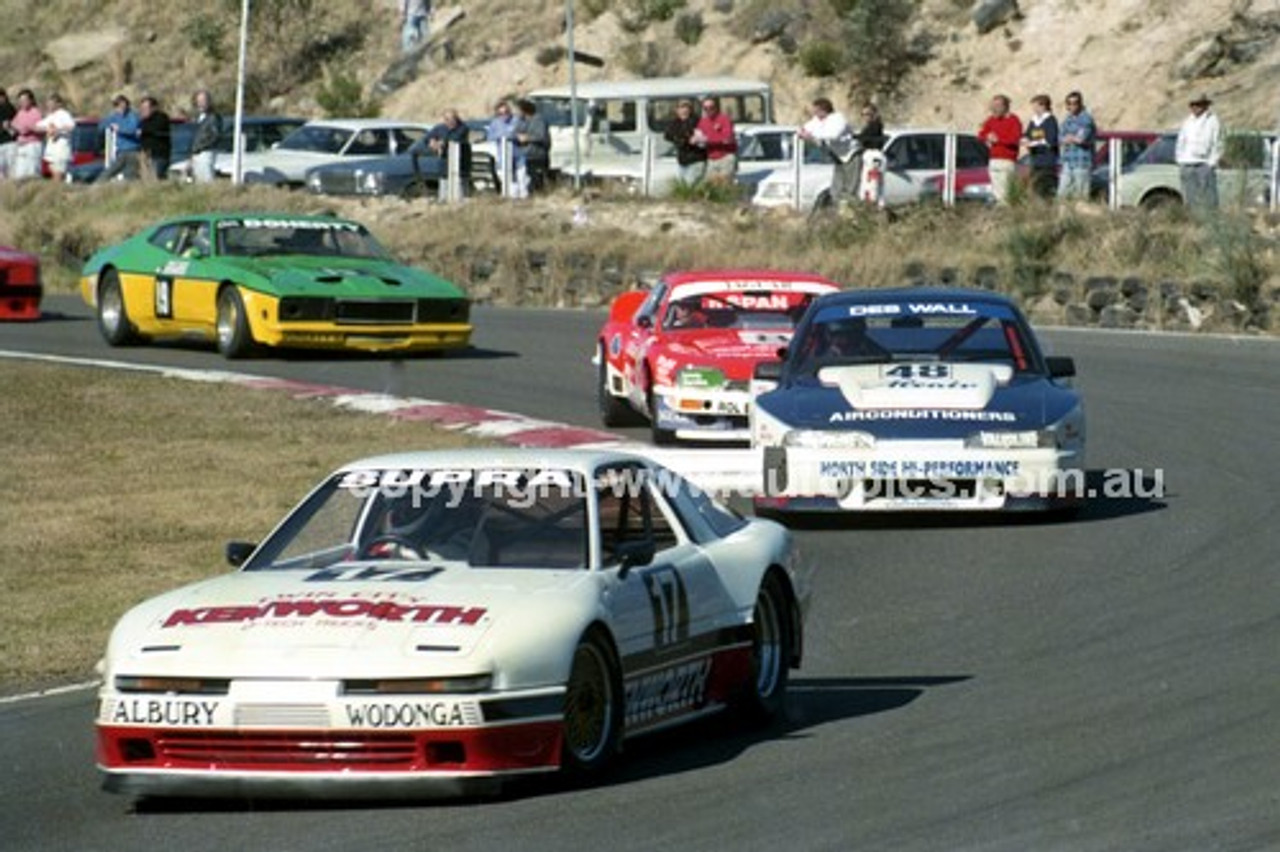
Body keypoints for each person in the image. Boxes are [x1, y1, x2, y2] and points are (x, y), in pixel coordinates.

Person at [798, 97, 859, 208]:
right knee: (836, 187)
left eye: (817, 111)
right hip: (838, 157)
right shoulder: (818, 120)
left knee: (850, 187)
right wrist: (803, 132)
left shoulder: (838, 119)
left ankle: (851, 212)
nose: (815, 113)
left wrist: (811, 135)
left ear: (824, 110)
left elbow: (833, 134)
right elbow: (806, 128)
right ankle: (836, 211)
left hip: (850, 156)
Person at [1176, 93, 1223, 211]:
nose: (1194, 107)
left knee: (1209, 198)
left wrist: (1211, 163)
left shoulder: (1213, 121)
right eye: (1192, 105)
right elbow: (1181, 141)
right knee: (1191, 198)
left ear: (1205, 106)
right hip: (1187, 163)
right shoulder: (1187, 121)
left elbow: (1218, 143)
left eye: (1197, 104)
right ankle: (1194, 221)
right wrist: (1180, 159)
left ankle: (1210, 220)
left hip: (1204, 164)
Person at [978, 94, 1021, 205]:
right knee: (996, 193)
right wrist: (987, 137)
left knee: (1005, 194)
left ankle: (1007, 216)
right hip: (993, 159)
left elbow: (1014, 140)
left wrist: (998, 140)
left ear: (1005, 106)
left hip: (1007, 160)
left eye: (997, 106)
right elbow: (980, 134)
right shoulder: (991, 120)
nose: (994, 108)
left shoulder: (1014, 120)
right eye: (993, 106)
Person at [424, 108, 471, 200]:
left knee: (460, 193)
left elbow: (455, 138)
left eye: (452, 119)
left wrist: (441, 143)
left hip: (460, 165)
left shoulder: (463, 128)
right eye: (447, 119)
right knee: (444, 192)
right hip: (444, 164)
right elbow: (427, 137)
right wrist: (432, 141)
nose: (450, 122)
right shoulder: (440, 128)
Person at [1057, 91, 1095, 200]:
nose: (1072, 106)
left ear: (1080, 104)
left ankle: (1080, 216)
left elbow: (1081, 139)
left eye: (1075, 103)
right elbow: (1060, 138)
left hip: (1081, 162)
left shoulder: (1086, 119)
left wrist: (1070, 137)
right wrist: (1071, 137)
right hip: (1068, 161)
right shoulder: (1067, 120)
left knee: (1081, 196)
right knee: (1062, 194)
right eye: (1069, 103)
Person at [95, 94, 142, 182]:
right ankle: (97, 188)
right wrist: (109, 125)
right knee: (108, 173)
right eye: (118, 105)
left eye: (123, 105)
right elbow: (101, 126)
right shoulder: (114, 116)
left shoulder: (133, 116)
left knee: (130, 176)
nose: (121, 108)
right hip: (120, 151)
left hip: (132, 151)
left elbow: (132, 130)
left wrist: (119, 129)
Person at [663, 99, 708, 187]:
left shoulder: (697, 121)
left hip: (696, 159)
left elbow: (701, 137)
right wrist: (680, 139)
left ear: (690, 110)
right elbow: (667, 135)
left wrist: (689, 139)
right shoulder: (675, 122)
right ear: (677, 110)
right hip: (682, 160)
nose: (684, 110)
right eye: (681, 107)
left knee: (690, 186)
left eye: (686, 107)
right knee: (683, 187)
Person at [1022, 94, 1059, 200]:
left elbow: (1051, 140)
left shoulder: (1050, 120)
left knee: (1046, 189)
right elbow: (1027, 134)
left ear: (1043, 106)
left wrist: (1035, 143)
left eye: (1035, 106)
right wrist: (1025, 140)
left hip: (1047, 161)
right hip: (1035, 160)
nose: (1034, 108)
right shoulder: (1034, 120)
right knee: (1036, 188)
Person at [35, 93, 76, 182]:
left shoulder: (64, 114)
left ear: (59, 104)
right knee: (54, 174)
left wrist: (58, 130)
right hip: (51, 151)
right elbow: (37, 127)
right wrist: (47, 129)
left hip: (60, 150)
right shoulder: (51, 116)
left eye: (52, 103)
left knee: (58, 176)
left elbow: (71, 126)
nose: (49, 105)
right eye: (48, 103)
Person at [696, 96, 737, 183]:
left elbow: (727, 138)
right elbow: (699, 140)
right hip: (711, 158)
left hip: (726, 157)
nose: (708, 110)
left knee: (725, 185)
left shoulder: (724, 119)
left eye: (711, 107)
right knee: (709, 185)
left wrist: (707, 139)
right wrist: (696, 140)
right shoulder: (702, 122)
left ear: (716, 107)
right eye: (705, 108)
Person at [485, 99, 522, 197]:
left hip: (518, 155)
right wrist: (502, 136)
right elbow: (490, 137)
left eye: (506, 112)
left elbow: (520, 135)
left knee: (521, 179)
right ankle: (509, 196)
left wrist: (511, 136)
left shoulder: (516, 120)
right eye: (501, 114)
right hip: (503, 156)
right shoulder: (495, 123)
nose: (504, 115)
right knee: (506, 179)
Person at [514, 98, 550, 193]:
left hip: (536, 156)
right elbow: (515, 132)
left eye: (518, 110)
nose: (517, 113)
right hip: (524, 156)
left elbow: (541, 136)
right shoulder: (522, 121)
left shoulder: (538, 120)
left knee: (536, 183)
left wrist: (527, 138)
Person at [9, 89, 43, 180]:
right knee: (19, 173)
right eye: (20, 101)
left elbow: (39, 129)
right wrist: (12, 128)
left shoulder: (36, 112)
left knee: (31, 171)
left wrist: (27, 128)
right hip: (21, 146)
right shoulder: (20, 113)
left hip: (32, 146)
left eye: (25, 100)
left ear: (31, 100)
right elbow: (13, 125)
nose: (22, 103)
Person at [189, 89, 222, 183]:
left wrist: (199, 147)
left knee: (207, 179)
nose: (200, 104)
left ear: (209, 102)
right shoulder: (198, 117)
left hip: (206, 152)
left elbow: (214, 136)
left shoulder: (214, 117)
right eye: (198, 101)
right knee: (198, 180)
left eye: (203, 101)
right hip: (197, 154)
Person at [137, 96, 172, 180]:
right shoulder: (143, 121)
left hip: (159, 156)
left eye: (146, 108)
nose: (143, 110)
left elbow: (156, 128)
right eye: (142, 108)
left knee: (157, 178)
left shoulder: (162, 117)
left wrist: (143, 131)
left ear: (153, 108)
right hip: (147, 156)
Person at [0, 89, 16, 178]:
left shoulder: (8, 107)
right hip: (2, 142)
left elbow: (7, 124)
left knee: (11, 169)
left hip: (9, 142)